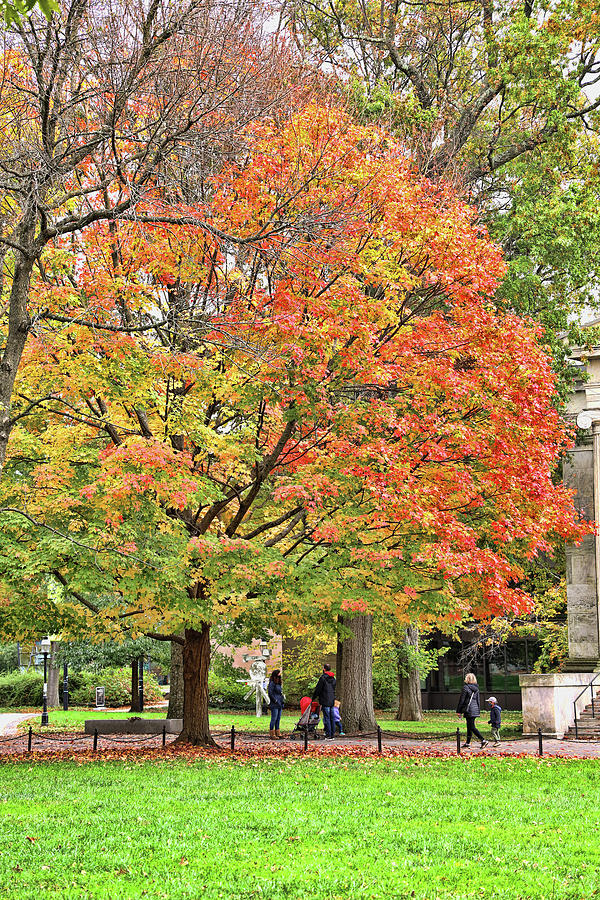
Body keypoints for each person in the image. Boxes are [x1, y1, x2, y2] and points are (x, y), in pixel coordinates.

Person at [456, 673, 488, 749]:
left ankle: (483, 740)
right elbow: (478, 700)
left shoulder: (465, 688)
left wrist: (459, 711)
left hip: (468, 709)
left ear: (467, 679)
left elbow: (462, 700)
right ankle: (467, 743)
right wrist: (477, 710)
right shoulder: (476, 688)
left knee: (472, 727)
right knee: (469, 726)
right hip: (474, 709)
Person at [312, 664, 336, 738]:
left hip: (325, 699)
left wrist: (313, 697)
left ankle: (328, 734)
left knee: (327, 717)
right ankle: (332, 733)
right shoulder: (333, 678)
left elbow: (318, 689)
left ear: (324, 669)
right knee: (332, 717)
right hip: (331, 699)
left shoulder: (322, 678)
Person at [267, 670, 284, 740]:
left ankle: (277, 732)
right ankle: (272, 733)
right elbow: (270, 693)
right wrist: (275, 700)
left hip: (280, 703)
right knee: (274, 718)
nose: (280, 674)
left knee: (278, 718)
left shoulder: (278, 683)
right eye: (279, 673)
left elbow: (280, 693)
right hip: (274, 704)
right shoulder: (272, 683)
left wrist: (282, 700)